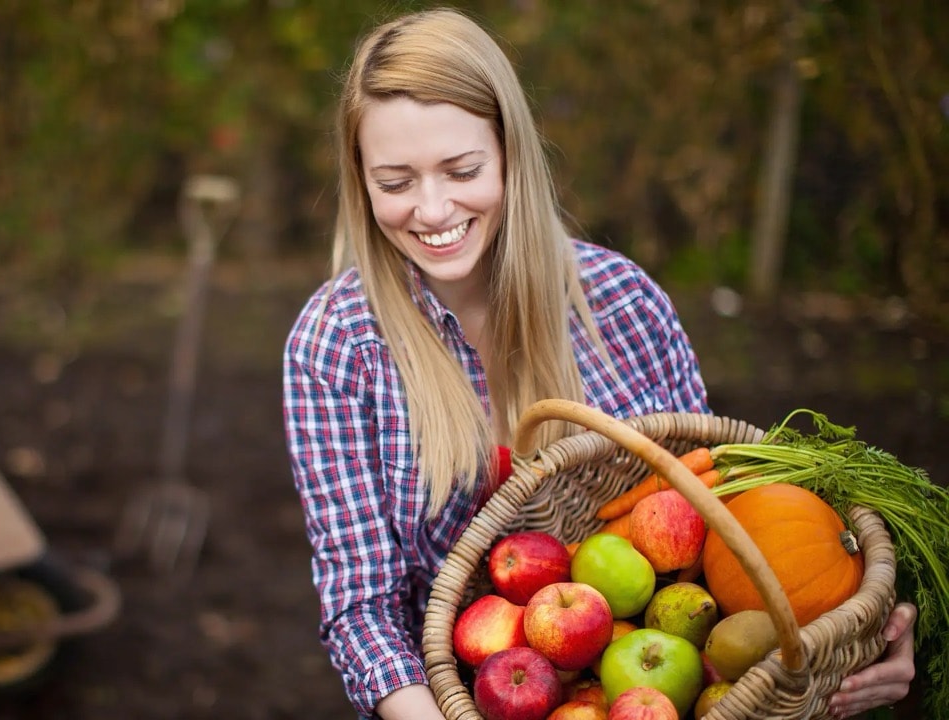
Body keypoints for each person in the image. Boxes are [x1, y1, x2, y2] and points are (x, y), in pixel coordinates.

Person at [280, 7, 917, 720]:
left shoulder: (622, 301)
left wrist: (863, 625)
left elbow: (723, 503)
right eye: (395, 182)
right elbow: (362, 604)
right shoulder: (337, 345)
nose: (432, 209)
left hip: (651, 683)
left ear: (510, 153)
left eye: (462, 170)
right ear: (360, 182)